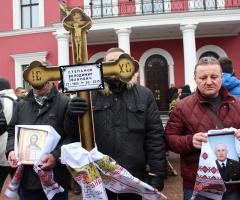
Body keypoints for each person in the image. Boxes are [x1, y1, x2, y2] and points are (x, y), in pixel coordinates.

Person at [67, 47, 167, 200]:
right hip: (100, 177)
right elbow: (74, 135)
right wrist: (72, 116)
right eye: (110, 62)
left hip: (132, 175)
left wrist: (157, 172)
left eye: (119, 61)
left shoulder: (144, 94)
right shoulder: (89, 94)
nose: (115, 65)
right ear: (103, 65)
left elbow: (154, 136)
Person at [165, 57, 240, 200]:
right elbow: (169, 139)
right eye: (203, 77)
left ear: (221, 77)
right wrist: (190, 141)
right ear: (195, 78)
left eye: (214, 76)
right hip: (197, 186)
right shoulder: (182, 107)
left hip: (231, 185)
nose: (209, 81)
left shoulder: (237, 104)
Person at [5, 61, 77, 200]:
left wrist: (55, 156)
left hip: (55, 179)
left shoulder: (65, 103)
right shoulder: (21, 105)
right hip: (28, 179)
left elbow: (73, 136)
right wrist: (11, 150)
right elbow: (13, 131)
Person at [0, 77, 18, 195]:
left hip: (2, 147)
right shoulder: (19, 99)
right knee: (21, 186)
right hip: (19, 146)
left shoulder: (1, 100)